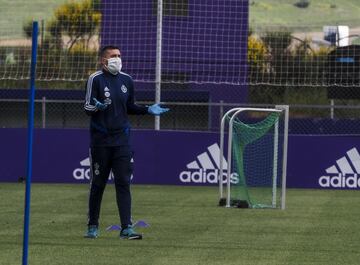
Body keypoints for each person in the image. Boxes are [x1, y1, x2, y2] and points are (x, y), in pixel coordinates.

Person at [83, 45, 169, 239]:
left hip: (122, 141)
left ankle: (126, 228)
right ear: (103, 60)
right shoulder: (95, 79)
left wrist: (147, 109)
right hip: (101, 141)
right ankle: (92, 225)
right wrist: (96, 107)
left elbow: (129, 106)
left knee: (123, 183)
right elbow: (87, 108)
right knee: (98, 184)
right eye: (113, 56)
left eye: (119, 55)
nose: (118, 59)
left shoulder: (127, 80)